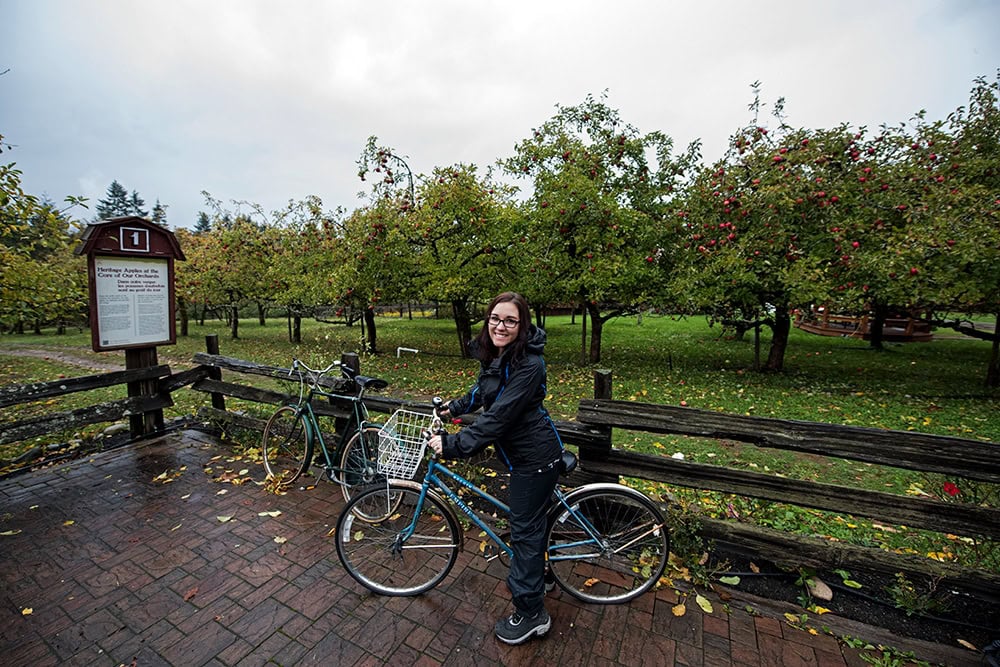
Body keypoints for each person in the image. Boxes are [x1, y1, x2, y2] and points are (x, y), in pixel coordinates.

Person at [428, 291, 563, 645]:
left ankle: (532, 614)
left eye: (509, 320)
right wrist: (453, 408)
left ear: (522, 325)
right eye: (495, 319)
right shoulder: (500, 354)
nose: (500, 326)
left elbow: (499, 417)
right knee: (532, 526)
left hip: (534, 458)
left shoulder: (530, 365)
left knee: (524, 532)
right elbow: (483, 390)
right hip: (522, 454)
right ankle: (542, 575)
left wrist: (454, 444)